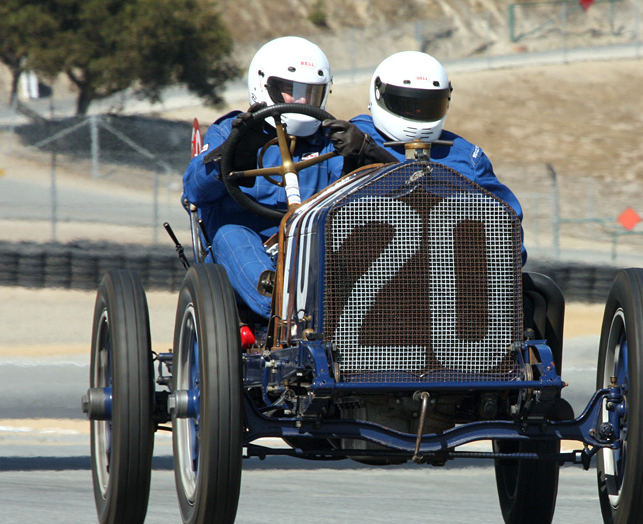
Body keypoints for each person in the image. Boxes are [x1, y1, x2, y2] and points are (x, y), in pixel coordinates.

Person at [183, 36, 347, 322]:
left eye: (310, 93)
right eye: (289, 90)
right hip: (243, 239)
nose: (301, 101)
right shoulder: (230, 130)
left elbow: (355, 198)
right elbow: (194, 193)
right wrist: (229, 156)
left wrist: (363, 155)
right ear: (263, 85)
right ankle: (279, 302)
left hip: (311, 240)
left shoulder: (328, 142)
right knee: (230, 233)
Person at [323, 51, 524, 229]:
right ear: (379, 94)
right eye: (406, 104)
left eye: (426, 106)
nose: (417, 113)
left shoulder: (467, 157)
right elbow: (320, 211)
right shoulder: (349, 139)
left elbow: (508, 221)